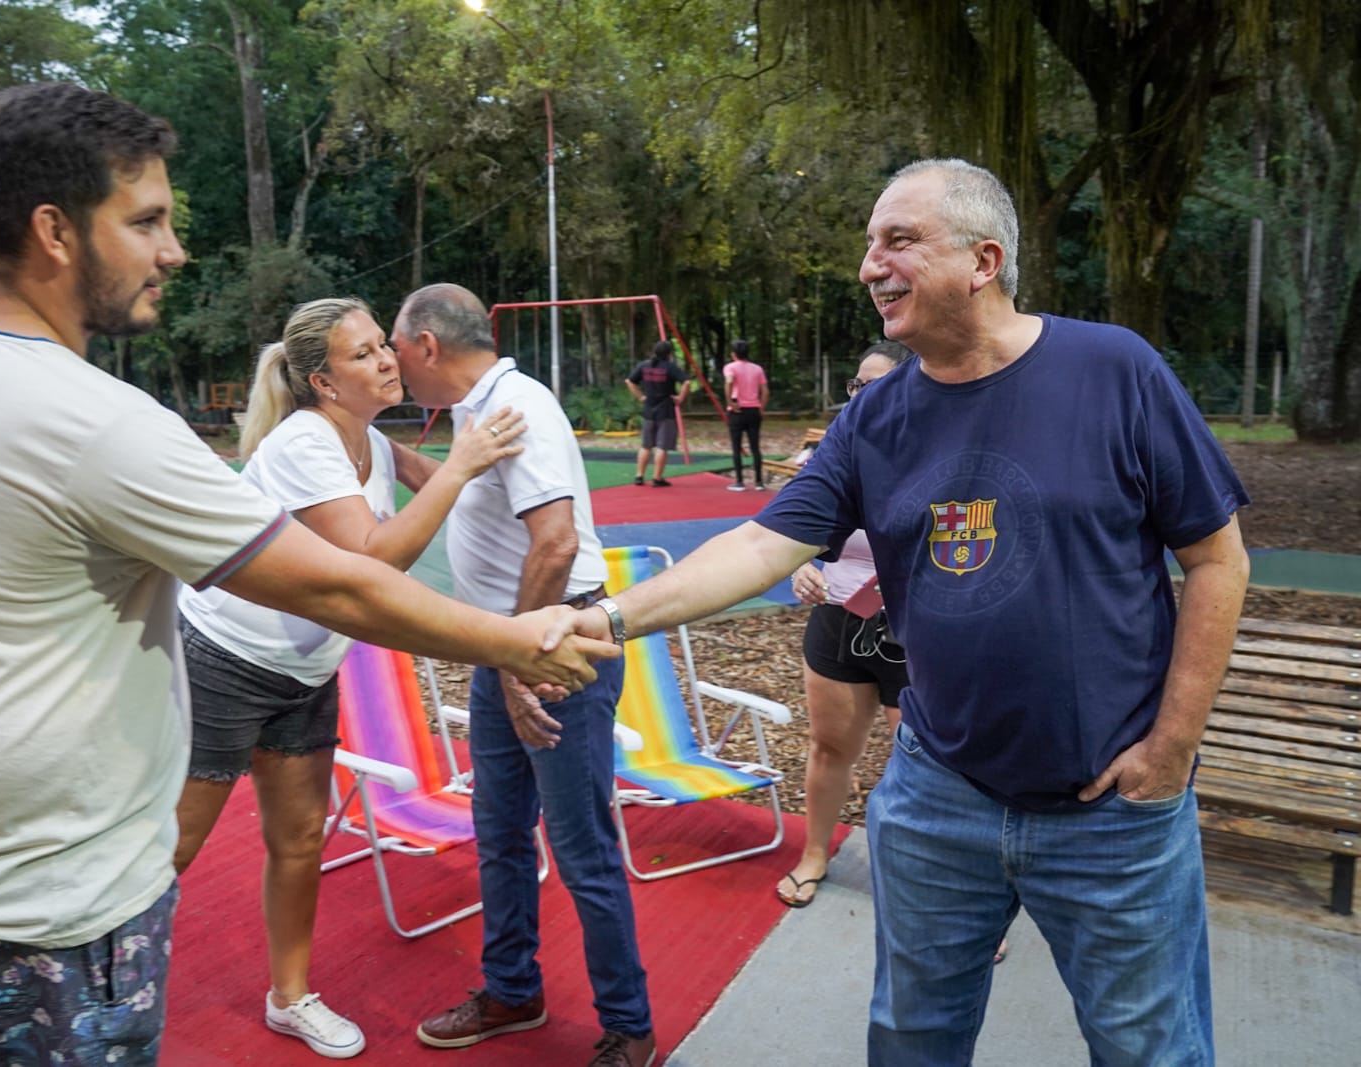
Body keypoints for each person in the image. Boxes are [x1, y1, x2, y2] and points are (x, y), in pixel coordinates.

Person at [0, 83, 612, 1067]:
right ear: (54, 230)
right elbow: (344, 583)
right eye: (147, 220)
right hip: (46, 875)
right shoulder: (96, 423)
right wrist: (523, 639)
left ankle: (290, 991)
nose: (173, 250)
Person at [571, 159, 1250, 1065]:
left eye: (897, 240)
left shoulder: (1115, 370)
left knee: (1150, 1048)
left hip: (1112, 810)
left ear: (983, 260)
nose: (869, 264)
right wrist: (609, 619)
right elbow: (760, 546)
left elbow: (1217, 558)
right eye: (868, 244)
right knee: (911, 1037)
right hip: (939, 796)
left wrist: (1171, 747)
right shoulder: (876, 416)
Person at [172, 298, 527, 1058]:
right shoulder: (304, 443)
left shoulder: (366, 436)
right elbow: (372, 559)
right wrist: (465, 464)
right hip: (225, 662)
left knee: (300, 839)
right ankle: (85, 989)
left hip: (304, 669)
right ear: (323, 382)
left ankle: (290, 997)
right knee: (172, 846)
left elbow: (431, 487)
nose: (387, 360)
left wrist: (504, 488)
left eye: (382, 347)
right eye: (364, 353)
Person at [390, 283, 656, 1067]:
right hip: (506, 651)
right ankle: (511, 987)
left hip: (551, 654)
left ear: (428, 345)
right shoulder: (480, 410)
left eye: (396, 348)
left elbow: (554, 542)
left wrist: (516, 657)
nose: (393, 362)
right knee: (499, 833)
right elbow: (452, 490)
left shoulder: (520, 405)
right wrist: (366, 440)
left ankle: (630, 1026)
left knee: (580, 848)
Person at [776, 340, 910, 909]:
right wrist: (803, 566)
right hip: (838, 628)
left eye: (873, 385)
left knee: (929, 765)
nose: (858, 396)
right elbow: (786, 533)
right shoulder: (832, 455)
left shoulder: (942, 455)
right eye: (855, 385)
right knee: (829, 749)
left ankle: (947, 894)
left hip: (918, 637)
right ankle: (814, 854)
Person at [625, 339, 690, 487]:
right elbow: (686, 382)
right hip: (665, 410)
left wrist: (641, 396)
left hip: (648, 409)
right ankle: (657, 477)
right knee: (662, 446)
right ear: (669, 354)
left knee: (646, 445)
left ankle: (639, 475)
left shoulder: (644, 366)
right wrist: (680, 398)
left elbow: (629, 381)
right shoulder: (670, 367)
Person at [723, 339, 769, 491]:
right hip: (753, 409)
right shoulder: (757, 369)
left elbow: (729, 382)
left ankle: (739, 481)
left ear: (734, 354)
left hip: (737, 410)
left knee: (736, 446)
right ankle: (758, 481)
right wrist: (761, 408)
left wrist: (729, 401)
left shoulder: (730, 367)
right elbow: (765, 391)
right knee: (755, 446)